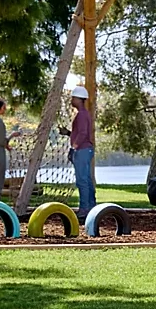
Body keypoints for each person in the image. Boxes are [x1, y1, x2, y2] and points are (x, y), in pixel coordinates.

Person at [59, 85, 96, 216]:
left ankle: (84, 209)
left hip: (82, 151)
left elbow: (82, 134)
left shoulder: (81, 115)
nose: (71, 100)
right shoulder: (83, 114)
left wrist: (73, 148)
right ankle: (91, 206)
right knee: (86, 179)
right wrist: (68, 133)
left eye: (73, 98)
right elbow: (80, 133)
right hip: (85, 149)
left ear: (79, 99)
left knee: (82, 181)